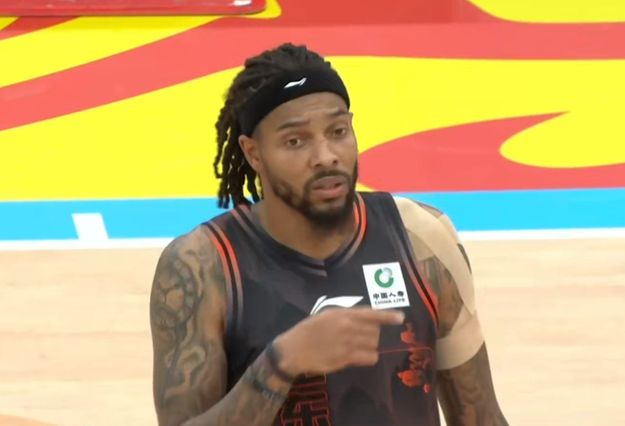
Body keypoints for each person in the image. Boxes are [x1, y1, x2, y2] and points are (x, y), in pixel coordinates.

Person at [149, 43, 508, 426]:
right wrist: (279, 364)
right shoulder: (202, 267)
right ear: (253, 153)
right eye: (295, 141)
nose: (325, 156)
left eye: (338, 131)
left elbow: (481, 418)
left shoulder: (420, 237)